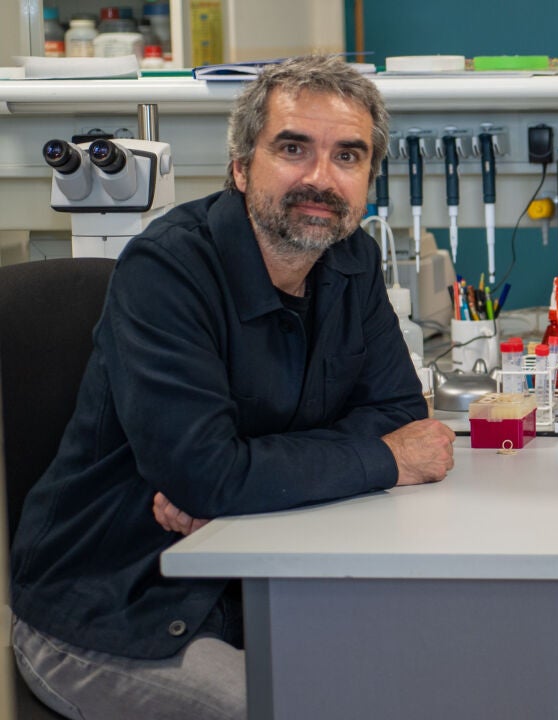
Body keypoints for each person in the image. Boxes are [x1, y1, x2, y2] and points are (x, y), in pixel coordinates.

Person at [9, 55, 456, 720]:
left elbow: (395, 415)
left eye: (348, 155)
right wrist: (375, 461)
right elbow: (206, 474)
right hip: (117, 606)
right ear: (242, 167)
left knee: (438, 670)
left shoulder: (351, 259)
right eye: (293, 148)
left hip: (259, 579)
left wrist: (236, 492)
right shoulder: (167, 270)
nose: (320, 177)